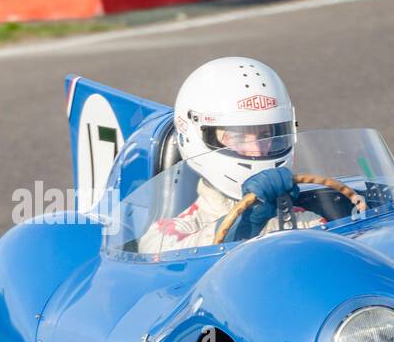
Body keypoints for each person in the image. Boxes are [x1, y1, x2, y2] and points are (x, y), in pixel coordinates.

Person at [138, 57, 325, 254]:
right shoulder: (166, 235)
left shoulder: (307, 222)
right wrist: (244, 224)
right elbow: (160, 259)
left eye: (266, 135)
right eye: (238, 136)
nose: (257, 150)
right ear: (194, 136)